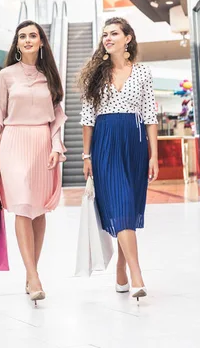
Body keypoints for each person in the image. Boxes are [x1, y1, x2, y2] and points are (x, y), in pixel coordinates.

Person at [79, 17, 158, 301]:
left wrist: (154, 156)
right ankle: (137, 274)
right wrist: (87, 154)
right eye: (104, 34)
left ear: (128, 38)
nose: (107, 38)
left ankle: (121, 269)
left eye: (113, 33)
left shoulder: (143, 73)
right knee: (121, 203)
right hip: (106, 143)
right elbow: (87, 119)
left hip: (135, 144)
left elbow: (150, 116)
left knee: (132, 204)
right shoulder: (94, 76)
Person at [0, 20, 67, 304]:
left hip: (42, 143)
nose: (28, 40)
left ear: (42, 41)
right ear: (17, 43)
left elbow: (57, 117)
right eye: (22, 36)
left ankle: (30, 270)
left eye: (33, 35)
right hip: (13, 142)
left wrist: (57, 146)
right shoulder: (6, 75)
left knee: (39, 210)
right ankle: (33, 276)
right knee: (22, 206)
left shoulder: (50, 76)